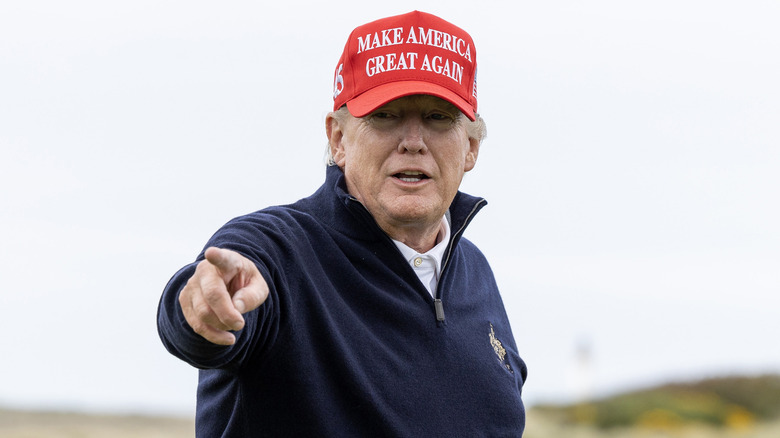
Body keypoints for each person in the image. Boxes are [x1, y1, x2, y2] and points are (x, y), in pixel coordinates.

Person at [157, 10, 527, 437]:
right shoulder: (277, 251)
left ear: (471, 148)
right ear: (338, 139)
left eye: (437, 117)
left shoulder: (475, 274)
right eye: (384, 116)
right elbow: (202, 310)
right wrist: (200, 311)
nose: (412, 141)